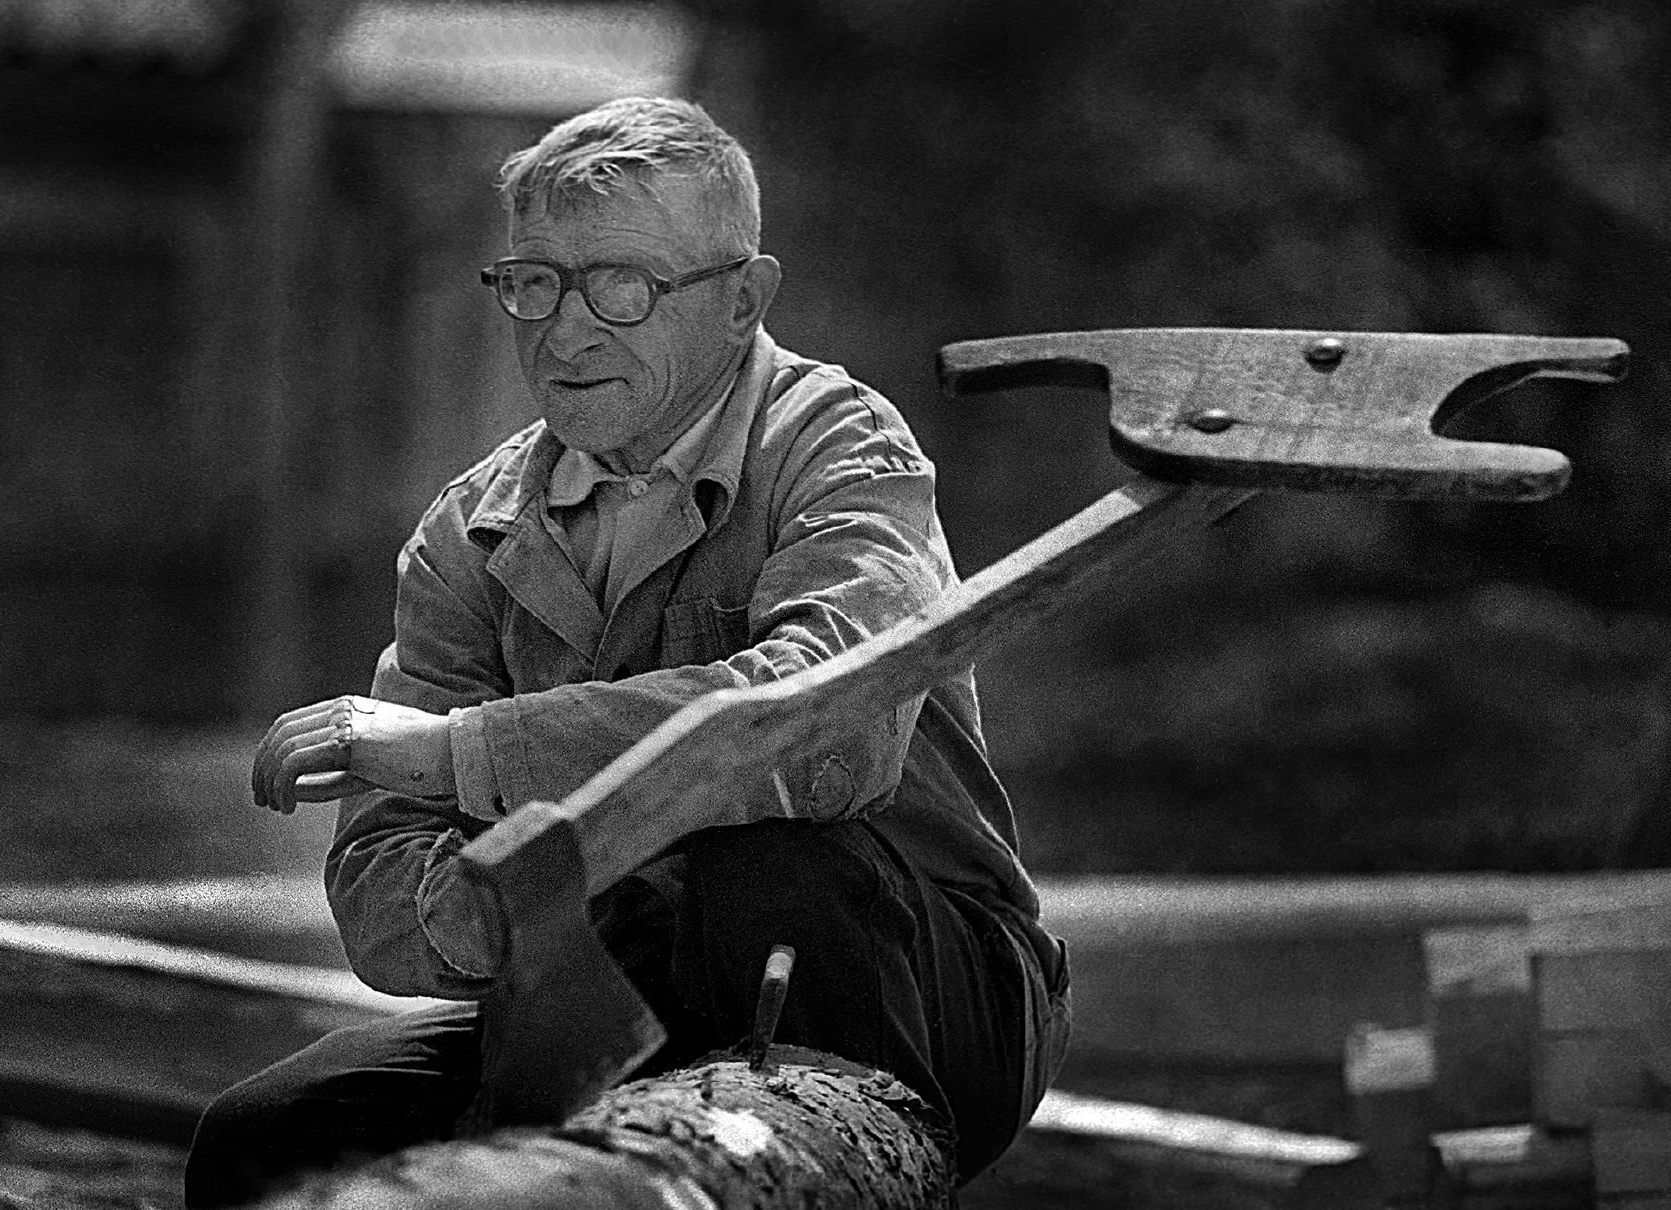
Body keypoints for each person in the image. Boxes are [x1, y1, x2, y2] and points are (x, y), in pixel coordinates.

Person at [184, 96, 1070, 1208]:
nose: (564, 332)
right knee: (264, 1138)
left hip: (910, 975)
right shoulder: (471, 530)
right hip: (621, 980)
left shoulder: (840, 448)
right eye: (533, 283)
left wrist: (462, 755)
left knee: (770, 863)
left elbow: (827, 734)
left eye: (622, 287)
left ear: (743, 300)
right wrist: (525, 911)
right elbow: (380, 884)